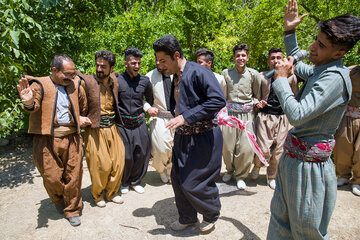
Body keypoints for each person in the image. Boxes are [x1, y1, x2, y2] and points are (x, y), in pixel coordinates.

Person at [267, 0, 360, 239]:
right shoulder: (323, 70)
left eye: (321, 44)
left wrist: (279, 80)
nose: (312, 47)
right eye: (316, 40)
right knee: (280, 223)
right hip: (293, 161)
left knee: (307, 232)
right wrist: (289, 32)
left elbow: (297, 115)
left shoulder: (336, 79)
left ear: (340, 53)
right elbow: (298, 67)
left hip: (309, 168)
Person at [153, 34, 226, 233]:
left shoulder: (200, 72)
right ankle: (187, 217)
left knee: (195, 182)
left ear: (176, 55)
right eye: (157, 60)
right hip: (183, 137)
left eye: (163, 60)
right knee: (177, 179)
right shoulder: (172, 76)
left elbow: (217, 101)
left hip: (204, 137)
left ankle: (211, 214)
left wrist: (186, 117)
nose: (159, 65)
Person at [17, 55, 89, 226]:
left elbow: (83, 105)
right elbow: (32, 106)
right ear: (54, 70)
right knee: (51, 177)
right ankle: (58, 200)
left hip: (72, 137)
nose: (70, 77)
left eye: (73, 74)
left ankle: (72, 209)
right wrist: (27, 101)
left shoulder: (76, 85)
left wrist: (80, 117)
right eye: (67, 74)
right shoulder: (40, 85)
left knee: (74, 176)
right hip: (47, 140)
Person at [78, 50, 125, 207]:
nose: (99, 69)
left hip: (112, 127)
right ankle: (97, 195)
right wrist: (77, 116)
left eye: (103, 66)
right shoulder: (86, 82)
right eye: (97, 65)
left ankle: (111, 193)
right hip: (95, 130)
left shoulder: (114, 81)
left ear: (111, 67)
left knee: (118, 162)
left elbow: (119, 74)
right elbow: (71, 88)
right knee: (101, 166)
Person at [249, 48, 298, 189]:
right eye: (273, 58)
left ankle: (271, 176)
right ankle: (257, 166)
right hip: (265, 116)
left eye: (279, 58)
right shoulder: (261, 76)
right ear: (268, 61)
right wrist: (256, 102)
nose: (276, 61)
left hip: (283, 117)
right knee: (262, 147)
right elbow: (252, 95)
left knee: (279, 150)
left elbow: (294, 96)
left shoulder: (291, 77)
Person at [221, 43, 262, 190]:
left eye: (243, 55)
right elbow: (223, 94)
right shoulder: (226, 73)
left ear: (247, 57)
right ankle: (229, 170)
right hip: (230, 116)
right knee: (227, 147)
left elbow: (257, 94)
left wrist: (256, 102)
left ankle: (241, 176)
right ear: (234, 58)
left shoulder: (254, 74)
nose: (240, 58)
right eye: (238, 55)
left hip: (247, 116)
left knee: (246, 148)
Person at [116, 47, 153, 194]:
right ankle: (124, 182)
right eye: (133, 63)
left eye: (138, 63)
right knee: (126, 155)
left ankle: (136, 181)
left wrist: (148, 108)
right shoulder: (117, 80)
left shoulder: (145, 81)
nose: (137, 66)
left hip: (139, 123)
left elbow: (149, 100)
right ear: (126, 63)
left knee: (141, 153)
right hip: (122, 125)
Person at [144, 62, 174, 184]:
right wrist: (147, 108)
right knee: (160, 149)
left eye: (162, 60)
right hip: (159, 117)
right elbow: (138, 97)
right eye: (156, 59)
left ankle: (172, 172)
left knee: (175, 148)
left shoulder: (177, 73)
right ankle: (161, 171)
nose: (158, 62)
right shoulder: (149, 76)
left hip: (177, 117)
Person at [334, 62, 360, 196]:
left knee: (359, 150)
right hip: (348, 115)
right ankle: (343, 175)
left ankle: (358, 181)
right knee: (343, 145)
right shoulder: (350, 71)